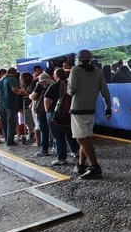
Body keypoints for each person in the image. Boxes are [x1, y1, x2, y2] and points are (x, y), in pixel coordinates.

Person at [67, 49, 112, 179]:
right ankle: (81, 165)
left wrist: (67, 85)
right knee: (84, 136)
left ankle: (95, 167)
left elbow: (71, 90)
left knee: (81, 139)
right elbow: (105, 90)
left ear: (79, 59)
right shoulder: (98, 71)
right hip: (90, 109)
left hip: (78, 109)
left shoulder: (75, 70)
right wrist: (108, 108)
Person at [44, 68, 79, 166]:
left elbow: (46, 100)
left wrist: (48, 112)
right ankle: (75, 151)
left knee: (59, 137)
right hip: (70, 113)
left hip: (56, 115)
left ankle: (61, 158)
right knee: (70, 133)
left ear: (56, 76)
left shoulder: (53, 86)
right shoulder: (70, 85)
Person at [0, 68, 22, 145]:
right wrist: (22, 93)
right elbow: (14, 89)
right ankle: (10, 141)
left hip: (1, 103)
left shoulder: (0, 81)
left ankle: (6, 138)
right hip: (11, 103)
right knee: (11, 122)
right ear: (14, 73)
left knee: (4, 121)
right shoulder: (12, 79)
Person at [31, 72, 54, 156]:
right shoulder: (54, 84)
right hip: (53, 109)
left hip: (42, 109)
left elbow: (33, 96)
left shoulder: (40, 84)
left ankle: (44, 150)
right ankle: (56, 148)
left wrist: (30, 96)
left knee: (43, 130)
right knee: (54, 130)